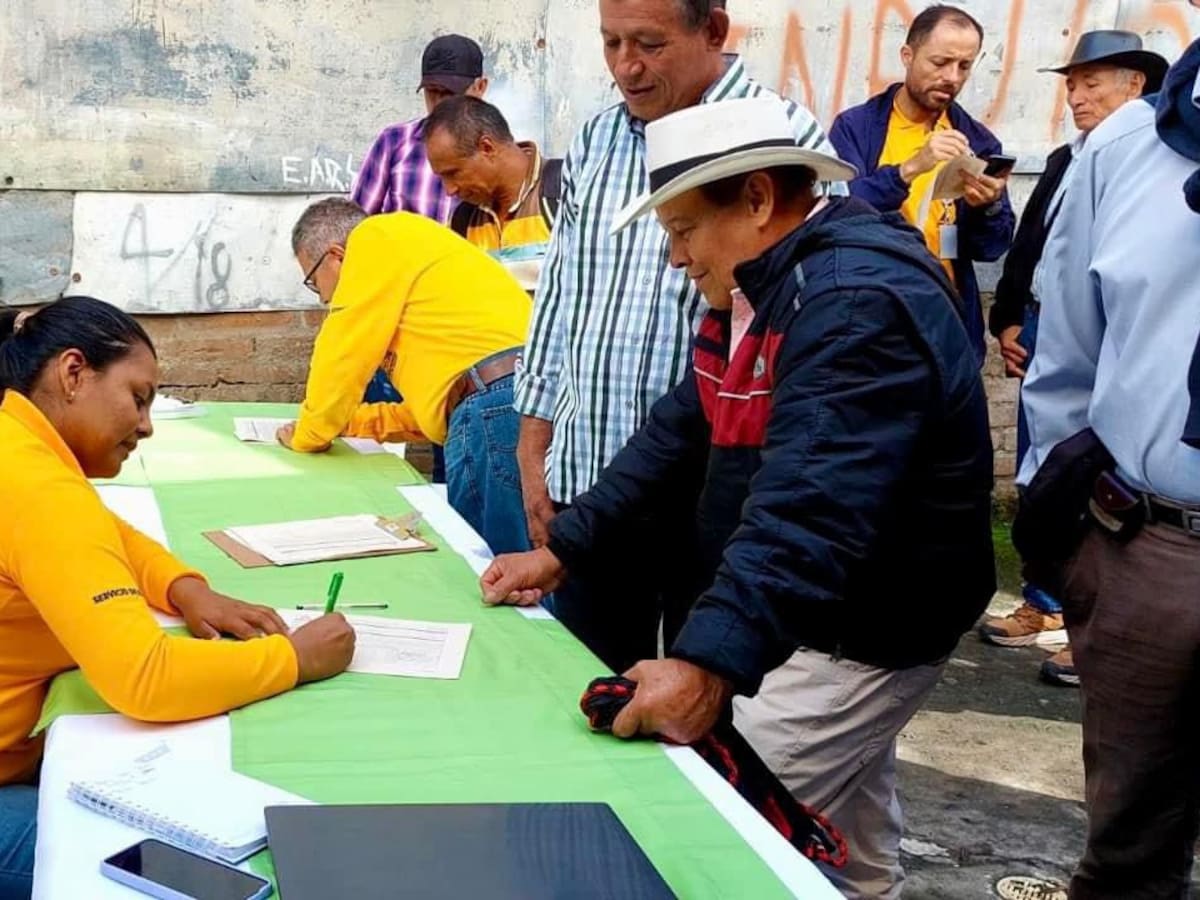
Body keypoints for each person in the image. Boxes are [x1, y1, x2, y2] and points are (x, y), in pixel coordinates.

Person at [483, 96, 995, 899]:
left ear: (757, 199)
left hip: (857, 629)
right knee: (851, 843)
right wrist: (565, 546)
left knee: (709, 844)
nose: (676, 259)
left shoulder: (849, 307)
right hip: (821, 616)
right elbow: (676, 435)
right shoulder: (761, 296)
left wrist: (708, 666)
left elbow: (809, 507)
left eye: (685, 232)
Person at [515, 0, 844, 673]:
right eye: (610, 43)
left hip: (717, 492)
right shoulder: (597, 139)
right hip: (595, 475)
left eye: (648, 44)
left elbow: (817, 317)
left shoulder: (781, 137)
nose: (625, 67)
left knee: (715, 701)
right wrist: (534, 439)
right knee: (591, 694)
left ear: (714, 32)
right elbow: (561, 285)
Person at [0, 298, 354, 899]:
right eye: (138, 398)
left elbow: (113, 536)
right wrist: (295, 660)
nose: (146, 426)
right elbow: (146, 679)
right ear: (73, 373)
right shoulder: (36, 486)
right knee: (197, 869)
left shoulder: (21, 447)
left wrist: (186, 589)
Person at [1017, 38, 1200, 899]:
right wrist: (1076, 544)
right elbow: (1067, 359)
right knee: (1128, 852)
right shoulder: (1131, 148)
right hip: (1148, 548)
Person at [979, 31, 1167, 687]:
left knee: (1097, 479)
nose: (1077, 96)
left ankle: (1092, 627)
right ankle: (1045, 600)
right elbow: (1033, 242)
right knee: (1044, 476)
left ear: (1135, 86)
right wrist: (1006, 317)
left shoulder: (1155, 162)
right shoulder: (1066, 158)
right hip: (1042, 326)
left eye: (1092, 83)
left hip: (1108, 345)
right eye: (1071, 84)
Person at [278, 198, 532, 556]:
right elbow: (427, 412)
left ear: (336, 256)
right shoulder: (415, 272)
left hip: (491, 408)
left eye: (313, 280)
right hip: (518, 402)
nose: (322, 299)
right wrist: (351, 424)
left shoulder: (371, 238)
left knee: (504, 577)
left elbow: (341, 354)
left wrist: (308, 435)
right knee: (526, 567)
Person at [829, 3, 1014, 366]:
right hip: (869, 320)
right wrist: (908, 170)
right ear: (908, 55)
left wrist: (987, 206)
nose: (952, 77)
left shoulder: (977, 140)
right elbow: (835, 213)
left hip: (944, 321)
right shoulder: (857, 128)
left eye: (964, 66)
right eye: (940, 62)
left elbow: (992, 247)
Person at [425, 95, 562, 292]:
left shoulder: (564, 193)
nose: (449, 190)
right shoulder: (462, 222)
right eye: (442, 178)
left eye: (453, 173)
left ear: (487, 148)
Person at [351, 34, 488, 223]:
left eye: (450, 93)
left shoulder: (493, 151)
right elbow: (357, 223)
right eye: (432, 91)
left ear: (480, 87)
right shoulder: (394, 142)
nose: (440, 103)